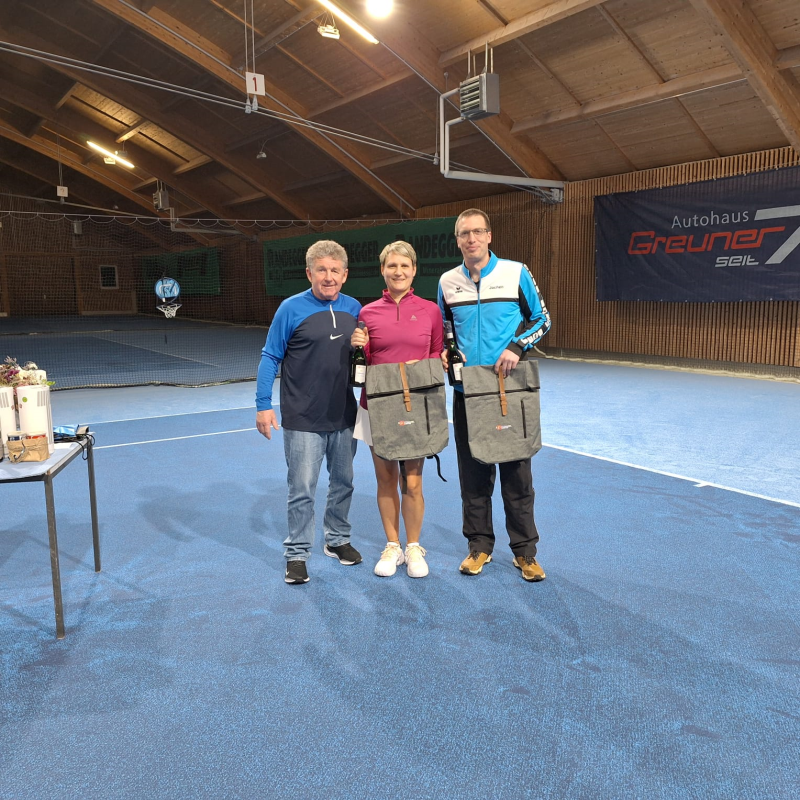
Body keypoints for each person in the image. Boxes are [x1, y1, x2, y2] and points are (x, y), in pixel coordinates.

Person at [438, 209, 551, 582]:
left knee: (517, 478)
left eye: (477, 231)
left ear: (489, 236)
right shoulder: (447, 282)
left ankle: (525, 553)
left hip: (509, 390)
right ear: (457, 240)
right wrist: (446, 350)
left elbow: (542, 319)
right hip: (467, 391)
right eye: (464, 233)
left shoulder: (515, 272)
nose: (471, 238)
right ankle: (479, 547)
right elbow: (444, 327)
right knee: (473, 476)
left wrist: (517, 347)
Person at [256, 240, 363, 585]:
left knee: (343, 483)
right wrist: (263, 405)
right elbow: (270, 356)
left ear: (344, 274)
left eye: (335, 270)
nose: (328, 277)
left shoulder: (355, 309)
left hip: (344, 415)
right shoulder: (290, 308)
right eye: (321, 270)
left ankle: (337, 539)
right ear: (309, 273)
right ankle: (297, 553)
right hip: (302, 418)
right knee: (302, 488)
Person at [350, 241, 443, 579]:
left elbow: (436, 356)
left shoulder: (431, 311)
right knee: (386, 478)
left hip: (417, 406)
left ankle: (414, 546)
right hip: (377, 406)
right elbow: (364, 363)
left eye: (404, 265)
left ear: (414, 270)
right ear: (383, 271)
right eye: (392, 266)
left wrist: (431, 364)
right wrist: (357, 347)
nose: (398, 271)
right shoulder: (367, 313)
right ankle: (392, 546)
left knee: (413, 482)